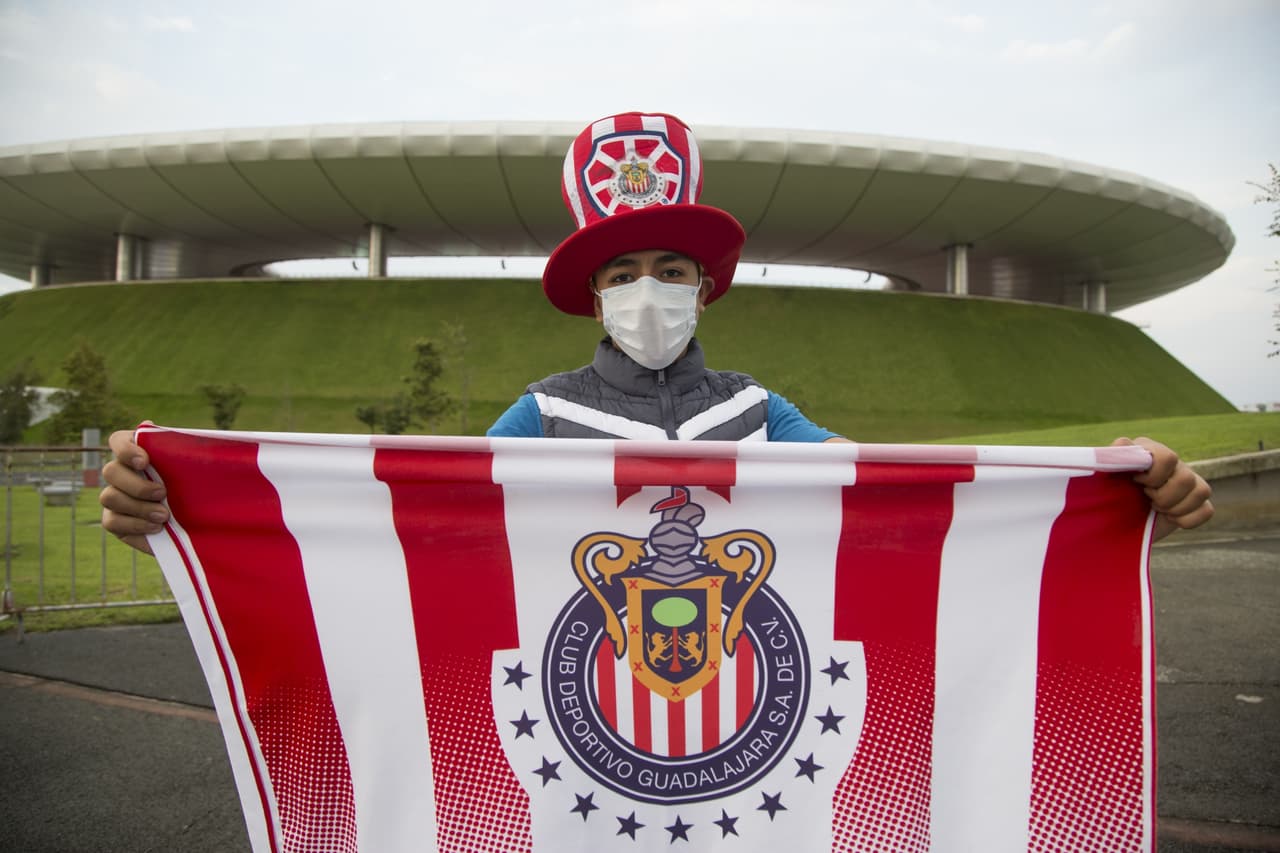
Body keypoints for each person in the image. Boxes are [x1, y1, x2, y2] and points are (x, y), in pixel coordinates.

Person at [99, 111, 1213, 551]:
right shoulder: (536, 416)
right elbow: (399, 515)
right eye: (622, 272)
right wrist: (177, 502)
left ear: (705, 289)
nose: (647, 292)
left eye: (669, 269)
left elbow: (904, 492)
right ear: (592, 296)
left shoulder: (757, 414)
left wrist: (1116, 486)